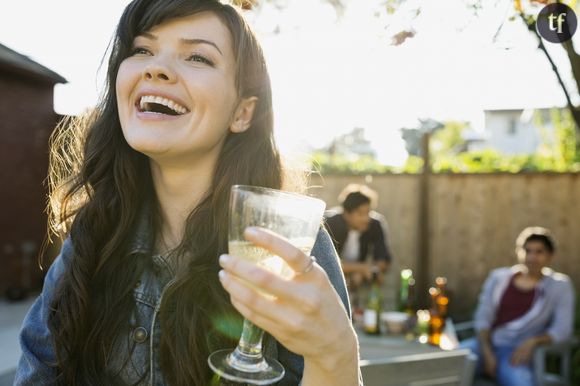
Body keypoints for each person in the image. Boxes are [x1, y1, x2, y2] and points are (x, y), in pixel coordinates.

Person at [15, 1, 360, 385]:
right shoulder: (91, 235)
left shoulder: (288, 250)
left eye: (197, 57)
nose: (155, 67)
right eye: (142, 49)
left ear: (242, 113)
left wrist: (336, 355)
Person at [461, 226, 575, 386]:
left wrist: (533, 342)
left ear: (550, 255)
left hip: (516, 352)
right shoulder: (498, 278)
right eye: (527, 251)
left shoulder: (559, 286)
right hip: (484, 345)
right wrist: (487, 352)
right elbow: (483, 317)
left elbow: (563, 330)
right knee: (444, 365)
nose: (532, 257)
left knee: (522, 382)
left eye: (539, 252)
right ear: (518, 252)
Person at [324, 184, 393, 286]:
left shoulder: (375, 224)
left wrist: (373, 270)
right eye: (360, 214)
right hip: (330, 281)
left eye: (368, 212)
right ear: (346, 213)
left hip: (363, 284)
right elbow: (327, 263)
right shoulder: (329, 224)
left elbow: (383, 259)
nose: (366, 218)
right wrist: (361, 268)